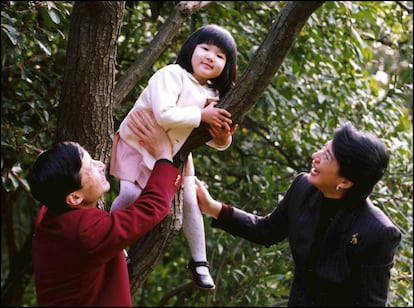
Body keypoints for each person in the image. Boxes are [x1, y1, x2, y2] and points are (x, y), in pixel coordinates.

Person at [194, 122, 402, 306]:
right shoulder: (303, 187)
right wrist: (212, 207)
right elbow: (266, 230)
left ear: (345, 182)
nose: (315, 157)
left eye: (326, 156)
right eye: (323, 148)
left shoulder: (378, 232)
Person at [110, 24, 238, 290]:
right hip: (140, 142)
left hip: (174, 153)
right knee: (132, 194)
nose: (210, 56)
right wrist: (202, 116)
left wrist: (222, 137)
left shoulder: (212, 95)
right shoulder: (171, 74)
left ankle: (199, 261)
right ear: (191, 49)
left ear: (226, 67)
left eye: (220, 55)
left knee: (190, 198)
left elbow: (208, 136)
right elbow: (165, 114)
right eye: (204, 48)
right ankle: (113, 240)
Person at [28, 110, 181, 306]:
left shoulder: (52, 208)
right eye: (90, 167)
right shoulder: (84, 233)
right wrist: (164, 156)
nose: (100, 164)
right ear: (74, 197)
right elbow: (150, 209)